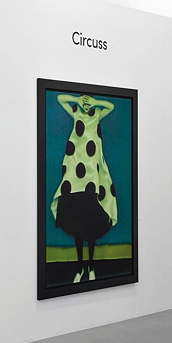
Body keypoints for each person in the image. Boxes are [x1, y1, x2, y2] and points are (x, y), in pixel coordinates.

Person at [51, 94, 117, 283]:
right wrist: (78, 100)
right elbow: (61, 98)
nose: (86, 104)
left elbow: (110, 105)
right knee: (77, 223)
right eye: (84, 101)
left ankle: (91, 267)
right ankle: (80, 269)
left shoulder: (97, 114)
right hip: (75, 176)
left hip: (92, 175)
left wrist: (95, 102)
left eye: (89, 101)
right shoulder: (75, 112)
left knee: (92, 221)